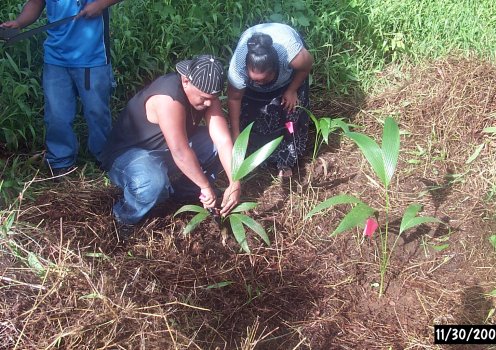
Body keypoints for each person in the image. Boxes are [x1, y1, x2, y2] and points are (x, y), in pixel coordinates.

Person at [99, 55, 241, 238]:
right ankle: (125, 217)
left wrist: (235, 181)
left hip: (167, 151)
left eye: (212, 99)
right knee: (152, 183)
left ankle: (183, 193)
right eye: (204, 98)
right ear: (186, 80)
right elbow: (180, 151)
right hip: (131, 155)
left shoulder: (207, 95)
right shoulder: (168, 97)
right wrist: (205, 186)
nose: (208, 103)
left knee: (213, 144)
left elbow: (222, 140)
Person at [1, 0, 121, 176]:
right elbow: (35, 3)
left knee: (97, 112)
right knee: (56, 115)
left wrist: (101, 4)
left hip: (92, 57)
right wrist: (19, 22)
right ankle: (60, 163)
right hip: (55, 57)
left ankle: (105, 158)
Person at [227, 23, 313, 178]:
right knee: (255, 119)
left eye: (264, 79)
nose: (259, 82)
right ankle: (259, 156)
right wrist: (236, 133)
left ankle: (286, 160)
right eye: (254, 79)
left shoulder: (292, 56)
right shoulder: (237, 68)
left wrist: (292, 90)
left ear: (276, 67)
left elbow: (306, 66)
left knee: (290, 115)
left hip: (288, 82)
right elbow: (234, 99)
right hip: (254, 89)